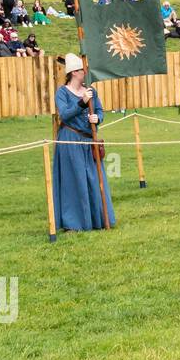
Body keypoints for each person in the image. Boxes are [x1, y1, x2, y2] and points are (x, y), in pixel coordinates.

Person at [51, 53, 115, 231]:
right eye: (81, 70)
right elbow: (64, 114)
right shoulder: (62, 92)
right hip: (70, 140)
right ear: (73, 72)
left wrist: (97, 118)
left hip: (89, 140)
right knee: (74, 180)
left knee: (93, 179)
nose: (84, 72)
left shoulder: (91, 91)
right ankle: (74, 223)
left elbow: (100, 111)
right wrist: (82, 103)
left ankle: (97, 219)